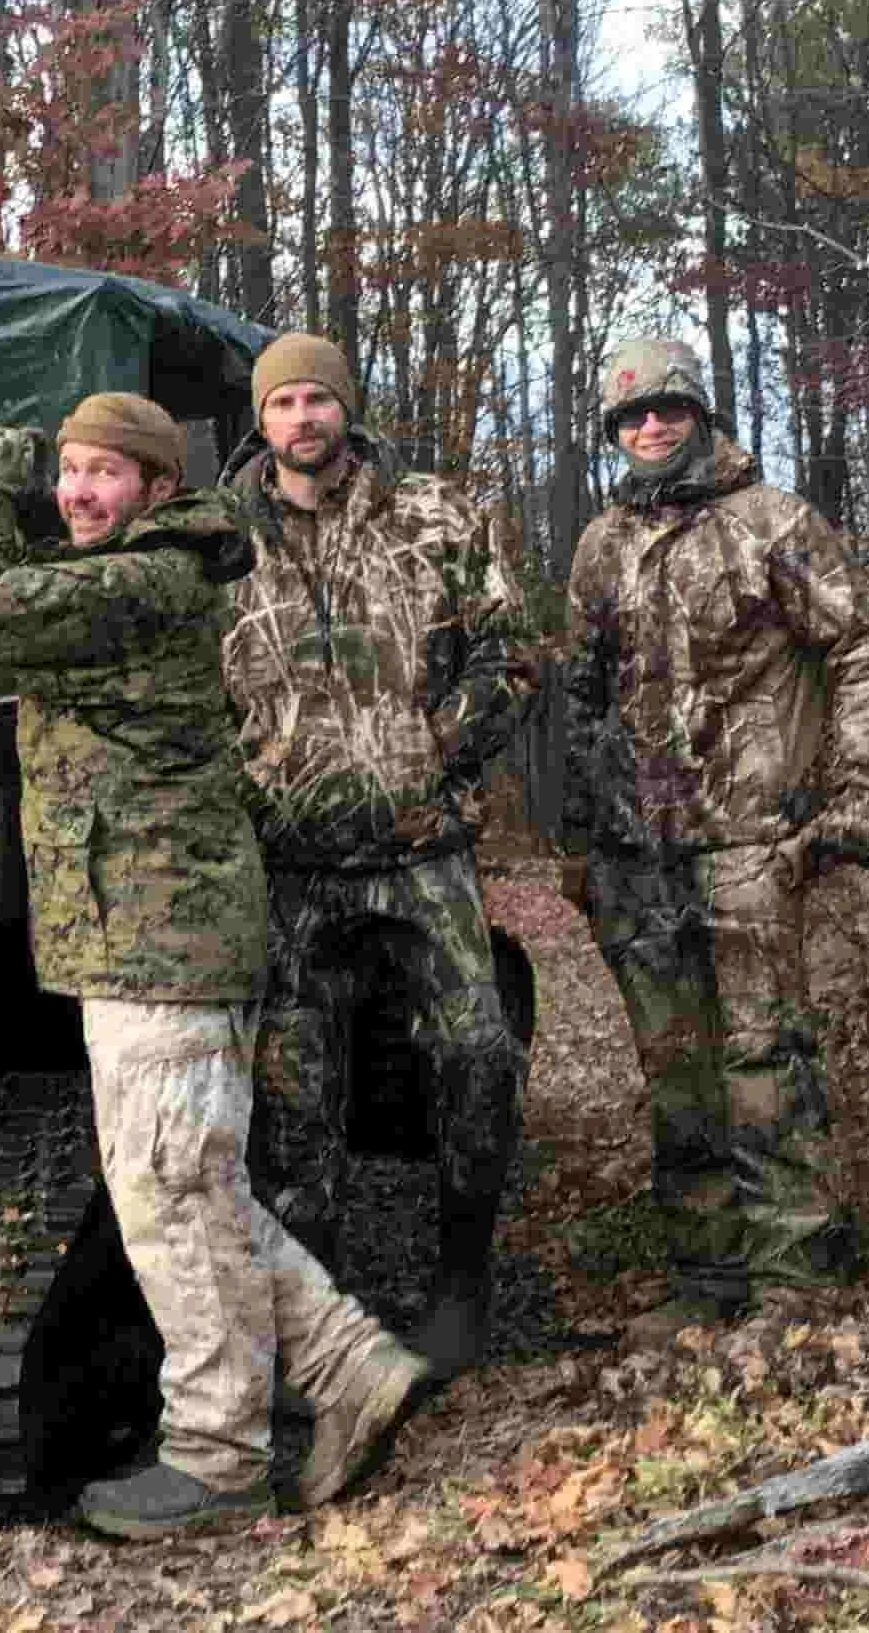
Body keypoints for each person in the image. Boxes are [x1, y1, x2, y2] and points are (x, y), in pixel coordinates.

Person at [0, 392, 430, 1540]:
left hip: (162, 932)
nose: (74, 492)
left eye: (101, 472)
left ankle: (216, 1457)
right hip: (137, 927)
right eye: (63, 470)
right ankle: (351, 1365)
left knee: (170, 1189)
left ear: (157, 486)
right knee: (191, 1183)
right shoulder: (140, 567)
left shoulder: (145, 580)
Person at [561, 337, 869, 1344]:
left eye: (668, 408)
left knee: (764, 1055)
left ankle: (794, 1275)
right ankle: (705, 1274)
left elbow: (865, 649)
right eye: (630, 417)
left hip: (750, 836)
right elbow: (579, 700)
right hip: (640, 851)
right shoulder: (600, 547)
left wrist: (857, 793)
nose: (650, 427)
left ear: (702, 412)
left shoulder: (772, 522)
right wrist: (577, 840)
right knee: (674, 1067)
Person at [219, 333, 532, 1386]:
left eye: (317, 399)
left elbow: (512, 649)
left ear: (345, 408)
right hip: (289, 866)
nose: (302, 418)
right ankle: (323, 1322)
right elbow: (176, 682)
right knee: (293, 1098)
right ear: (260, 420)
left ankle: (460, 1279)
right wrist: (246, 770)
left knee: (476, 1056)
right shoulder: (216, 537)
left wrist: (438, 745)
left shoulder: (436, 512)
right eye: (283, 403)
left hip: (420, 848)